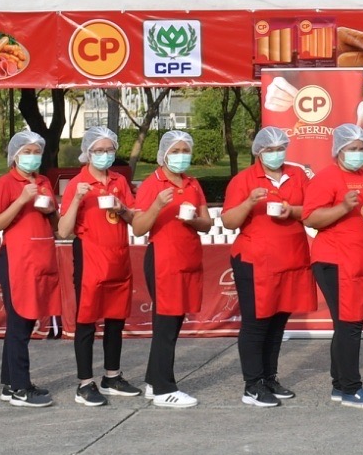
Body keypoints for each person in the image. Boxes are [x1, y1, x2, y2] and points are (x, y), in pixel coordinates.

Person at [222, 126, 312, 408]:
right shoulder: (244, 180)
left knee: (278, 322)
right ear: (259, 152)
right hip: (255, 260)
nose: (276, 153)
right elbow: (228, 221)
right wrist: (250, 201)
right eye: (270, 149)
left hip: (290, 258)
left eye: (280, 148)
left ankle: (270, 377)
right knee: (256, 323)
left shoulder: (297, 175)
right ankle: (252, 384)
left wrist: (292, 211)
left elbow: (312, 210)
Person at [122, 129, 207, 410]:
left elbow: (207, 224)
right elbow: (138, 228)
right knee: (166, 324)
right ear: (164, 154)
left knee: (174, 321)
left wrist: (193, 219)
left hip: (188, 257)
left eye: (186, 151)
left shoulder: (192, 183)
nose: (182, 157)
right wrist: (158, 205)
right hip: (163, 258)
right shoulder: (152, 185)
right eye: (176, 151)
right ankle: (163, 387)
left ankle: (152, 380)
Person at [305, 123, 363, 409]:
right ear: (339, 150)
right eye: (351, 149)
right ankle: (352, 388)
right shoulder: (326, 179)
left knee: (348, 324)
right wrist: (342, 207)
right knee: (350, 324)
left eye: (361, 148)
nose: (357, 153)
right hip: (335, 261)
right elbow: (311, 218)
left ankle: (340, 385)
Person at [59, 126, 139, 407]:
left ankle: (112, 375)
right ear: (88, 152)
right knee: (86, 321)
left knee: (116, 318)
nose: (104, 155)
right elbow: (64, 230)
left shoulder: (119, 180)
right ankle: (84, 383)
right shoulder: (77, 185)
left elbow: (135, 220)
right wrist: (79, 198)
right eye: (99, 150)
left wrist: (122, 208)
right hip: (90, 259)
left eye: (109, 150)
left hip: (117, 257)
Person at [0, 130, 59, 409]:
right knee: (19, 322)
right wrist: (21, 200)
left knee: (28, 321)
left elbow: (55, 225)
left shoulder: (44, 181)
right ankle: (20, 387)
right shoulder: (6, 183)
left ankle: (10, 382)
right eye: (27, 152)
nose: (32, 158)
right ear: (15, 156)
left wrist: (50, 210)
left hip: (41, 256)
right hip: (18, 258)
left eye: (36, 152)